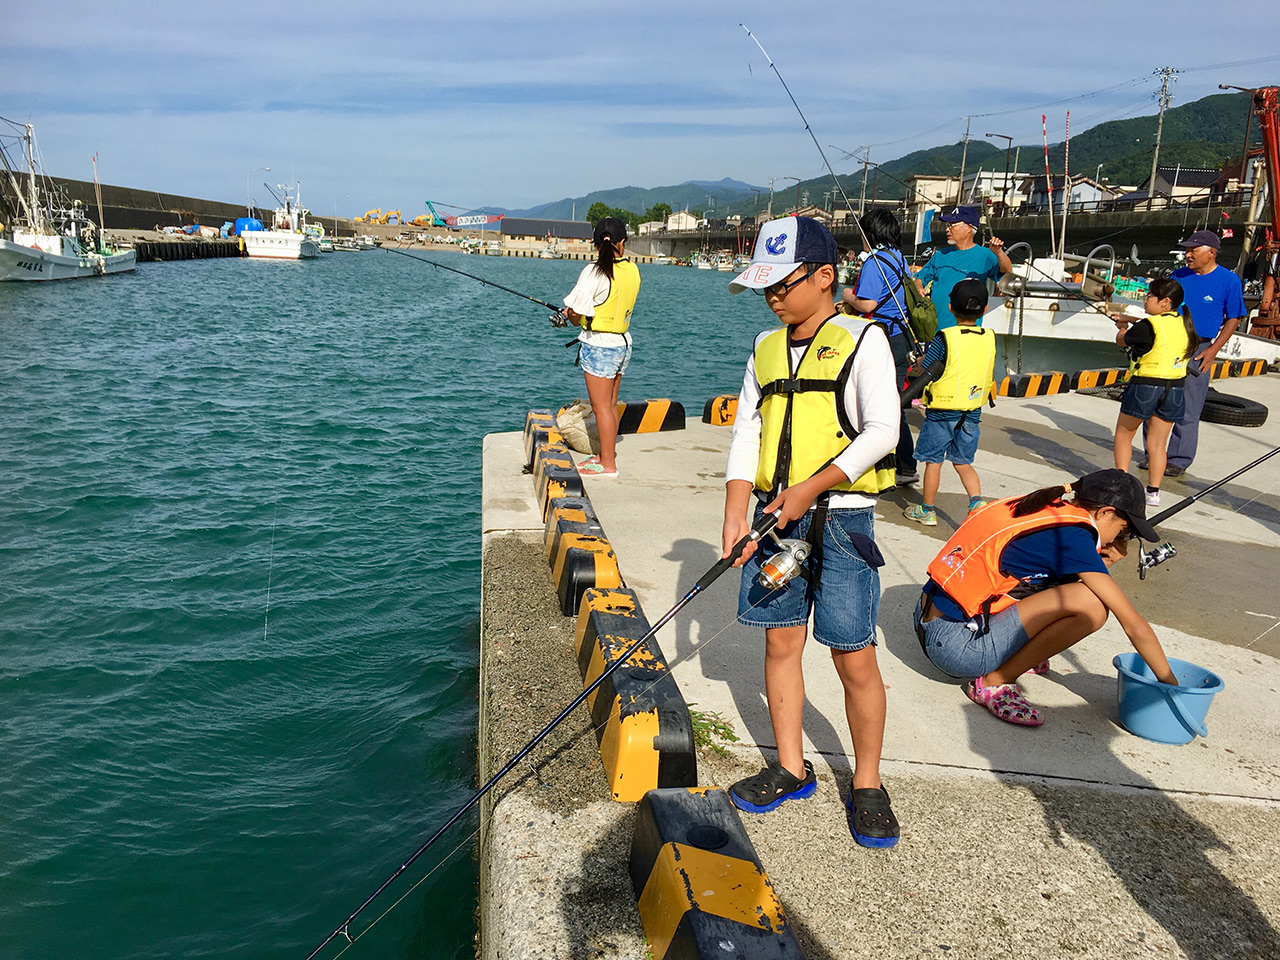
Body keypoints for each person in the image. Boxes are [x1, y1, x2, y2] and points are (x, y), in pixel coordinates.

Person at [723, 215, 901, 847]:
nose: (773, 297)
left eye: (783, 283)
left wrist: (810, 487)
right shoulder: (764, 348)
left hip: (844, 519)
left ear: (825, 277)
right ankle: (790, 766)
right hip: (774, 519)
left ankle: (868, 783)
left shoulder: (864, 340)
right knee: (778, 644)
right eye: (764, 286)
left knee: (854, 652)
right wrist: (735, 509)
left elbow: (884, 430)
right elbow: (748, 431)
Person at [914, 469, 1178, 727]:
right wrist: (1172, 688)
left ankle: (1018, 654)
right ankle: (995, 682)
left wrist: (1100, 561)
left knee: (1078, 590)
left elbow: (1046, 578)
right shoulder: (1073, 537)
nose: (1119, 538)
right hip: (957, 649)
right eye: (1122, 530)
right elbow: (1134, 625)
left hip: (929, 618)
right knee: (1093, 607)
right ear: (1105, 512)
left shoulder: (1047, 508)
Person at [1142, 230, 1246, 477]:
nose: (1187, 255)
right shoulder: (1178, 276)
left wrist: (1213, 350)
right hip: (1169, 344)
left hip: (1200, 347)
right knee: (1156, 398)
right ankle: (1153, 454)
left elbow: (1234, 318)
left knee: (1189, 405)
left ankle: (1179, 458)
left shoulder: (1228, 281)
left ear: (1211, 252)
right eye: (1186, 250)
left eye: (1193, 250)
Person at [901, 278, 996, 526]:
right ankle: (976, 502)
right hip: (972, 412)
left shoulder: (946, 338)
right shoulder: (989, 337)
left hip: (942, 412)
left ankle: (927, 510)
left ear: (950, 307)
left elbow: (925, 367)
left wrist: (916, 360)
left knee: (934, 462)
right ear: (985, 310)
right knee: (963, 463)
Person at [840, 207, 919, 486]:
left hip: (882, 338)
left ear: (870, 233)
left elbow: (869, 304)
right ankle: (904, 464)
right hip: (901, 337)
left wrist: (848, 294)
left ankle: (900, 464)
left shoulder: (875, 262)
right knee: (893, 402)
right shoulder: (898, 258)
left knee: (881, 405)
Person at [561, 216, 641, 477]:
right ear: (623, 242)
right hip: (622, 343)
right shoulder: (632, 270)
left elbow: (575, 316)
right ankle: (606, 454)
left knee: (601, 408)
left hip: (599, 347)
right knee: (611, 404)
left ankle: (608, 465)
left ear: (595, 244)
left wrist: (570, 316)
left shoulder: (593, 272)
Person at [1111, 278, 1196, 506]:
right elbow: (1155, 327)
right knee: (1157, 444)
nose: (1146, 299)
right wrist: (1130, 320)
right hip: (1175, 389)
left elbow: (1122, 340)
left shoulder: (1148, 326)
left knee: (1123, 434)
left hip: (1145, 386)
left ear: (1165, 302)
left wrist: (1121, 327)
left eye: (1150, 296)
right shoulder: (1184, 323)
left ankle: (1121, 484)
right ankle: (1153, 492)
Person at [914, 205, 1012, 329]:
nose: (947, 229)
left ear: (968, 228)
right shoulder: (940, 255)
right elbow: (919, 277)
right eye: (947, 225)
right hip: (935, 331)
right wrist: (919, 287)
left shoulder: (985, 255)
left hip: (966, 332)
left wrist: (998, 252)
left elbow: (1006, 269)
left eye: (952, 225)